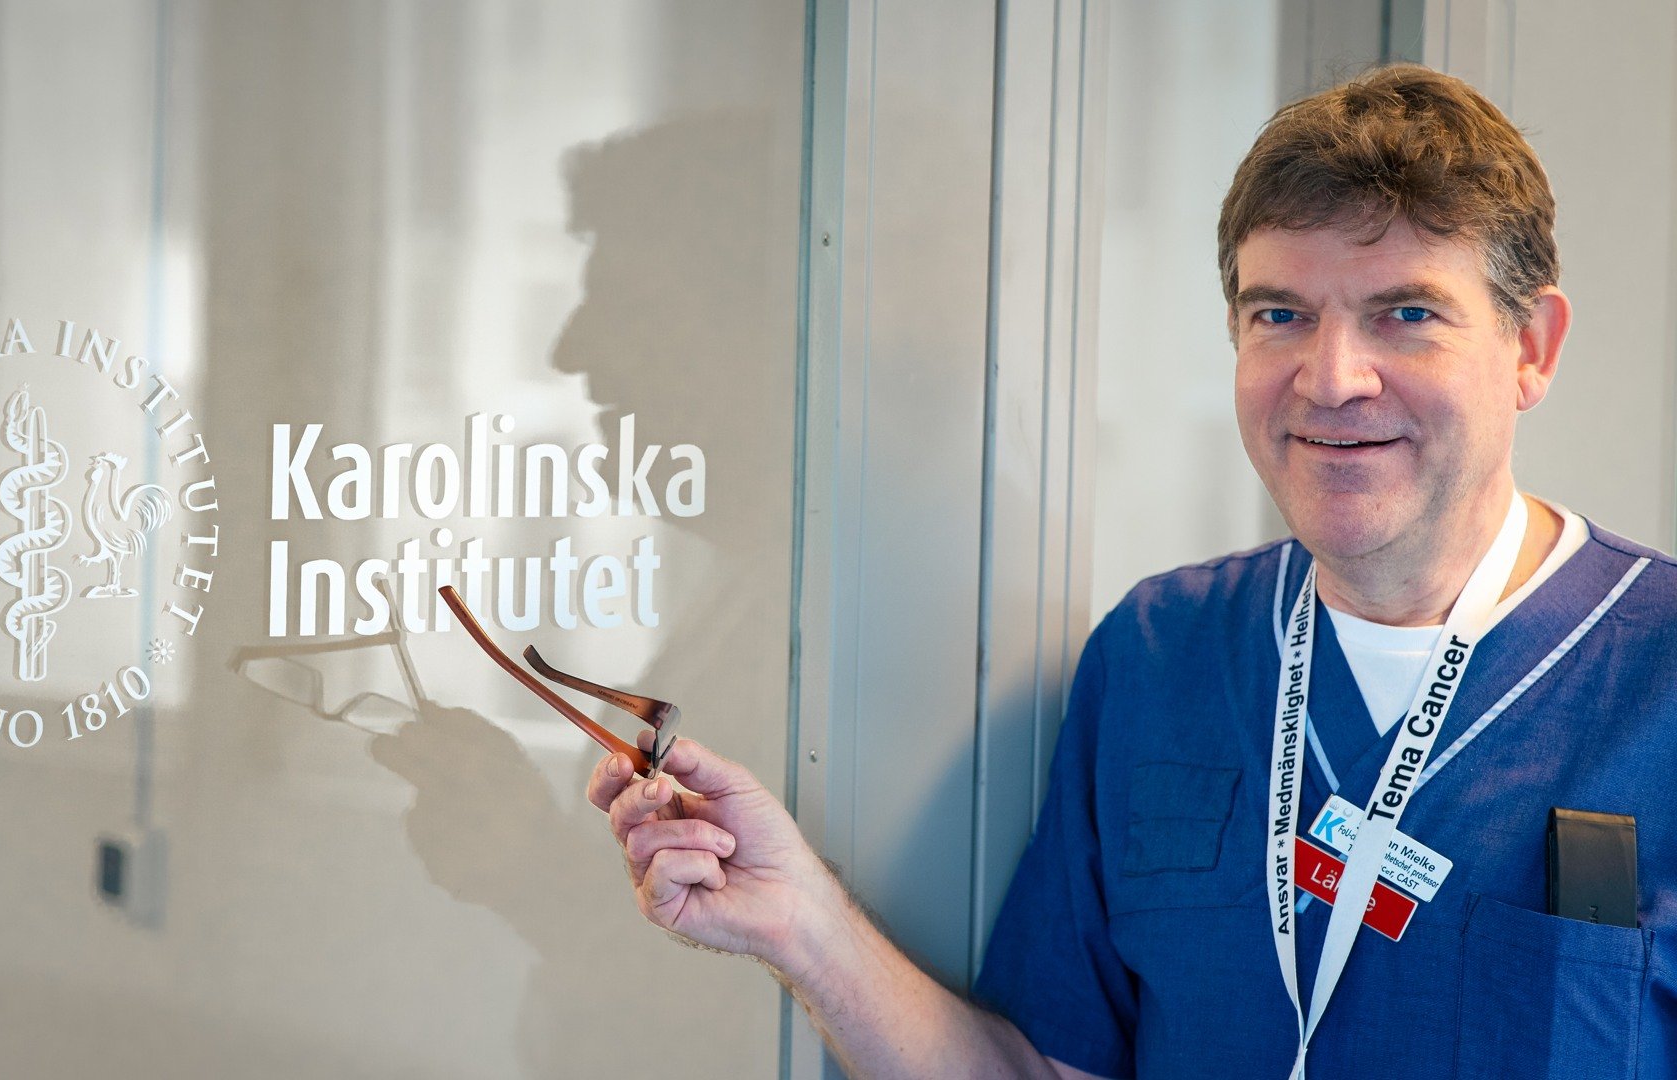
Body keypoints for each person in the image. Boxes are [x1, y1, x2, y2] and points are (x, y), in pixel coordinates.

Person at [585, 63, 1677, 1079]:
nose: (1334, 378)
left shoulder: (1654, 679)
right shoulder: (1162, 658)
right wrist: (800, 925)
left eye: (1407, 314)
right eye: (1280, 315)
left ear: (1531, 348)